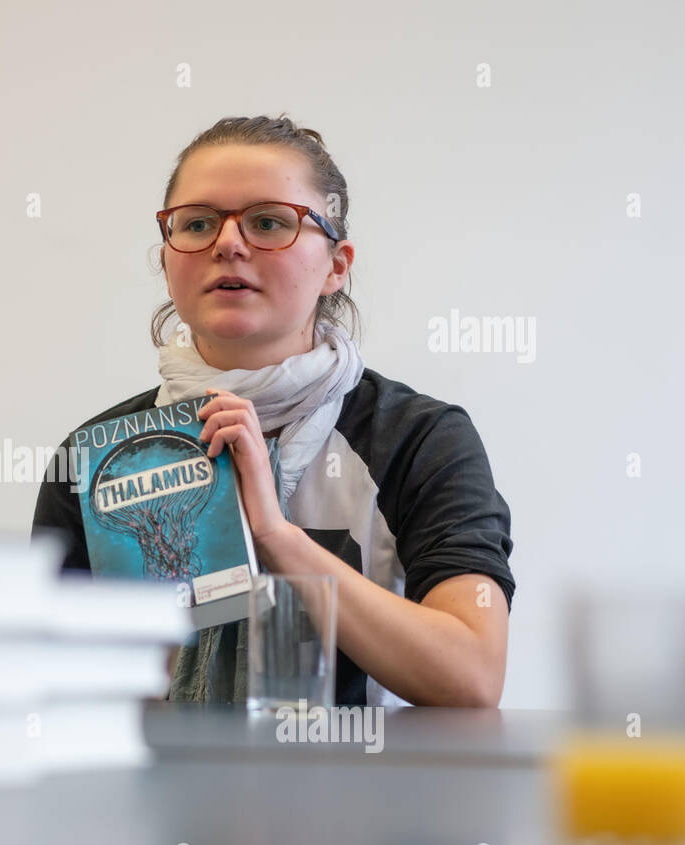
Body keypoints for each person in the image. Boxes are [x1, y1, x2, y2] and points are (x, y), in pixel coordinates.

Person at [33, 116, 515, 708]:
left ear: (337, 266)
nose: (228, 244)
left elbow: (471, 676)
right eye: (198, 223)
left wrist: (275, 537)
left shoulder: (420, 438)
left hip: (365, 798)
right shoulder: (100, 459)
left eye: (268, 222)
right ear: (166, 260)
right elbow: (55, 690)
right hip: (159, 798)